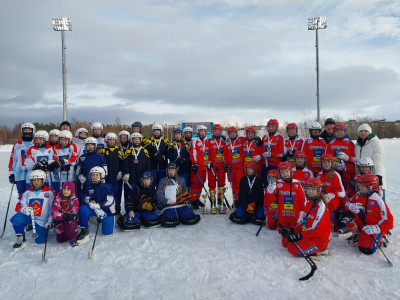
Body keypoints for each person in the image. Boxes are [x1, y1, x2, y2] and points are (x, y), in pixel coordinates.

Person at [343, 174, 393, 255]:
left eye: (364, 186)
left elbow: (389, 221)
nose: (360, 187)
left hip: (374, 226)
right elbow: (346, 206)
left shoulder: (377, 200)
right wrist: (350, 206)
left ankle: (382, 237)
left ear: (371, 187)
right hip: (364, 224)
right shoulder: (358, 195)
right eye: (360, 185)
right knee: (347, 216)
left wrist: (377, 228)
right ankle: (358, 234)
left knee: (366, 249)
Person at [281, 178, 331, 257]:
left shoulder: (321, 208)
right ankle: (303, 243)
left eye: (313, 189)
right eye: (308, 189)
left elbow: (317, 231)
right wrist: (292, 230)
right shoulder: (309, 203)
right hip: (308, 234)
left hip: (318, 240)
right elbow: (305, 222)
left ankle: (321, 250)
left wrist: (299, 236)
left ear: (318, 190)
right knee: (285, 241)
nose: (310, 192)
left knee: (292, 249)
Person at [10, 170, 55, 251]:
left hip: (41, 221)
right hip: (30, 217)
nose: (36, 182)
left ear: (43, 180)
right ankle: (21, 238)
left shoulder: (49, 193)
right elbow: (19, 206)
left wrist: (50, 220)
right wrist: (23, 209)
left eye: (38, 180)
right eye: (34, 180)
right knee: (16, 219)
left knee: (40, 241)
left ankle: (42, 230)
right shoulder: (27, 193)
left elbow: (53, 208)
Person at [76, 167, 116, 243]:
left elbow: (110, 200)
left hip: (106, 211)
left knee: (107, 233)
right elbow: (86, 198)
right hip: (94, 209)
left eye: (97, 175)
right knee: (83, 209)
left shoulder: (108, 186)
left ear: (101, 176)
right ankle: (84, 230)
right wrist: (91, 202)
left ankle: (107, 220)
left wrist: (99, 205)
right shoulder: (89, 187)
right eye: (92, 175)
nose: (94, 177)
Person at [274, 161, 306, 247]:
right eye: (282, 172)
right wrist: (271, 192)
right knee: (285, 243)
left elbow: (302, 199)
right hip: (283, 218)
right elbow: (274, 199)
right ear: (279, 173)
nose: (285, 174)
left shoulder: (296, 183)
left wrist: (301, 212)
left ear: (291, 172)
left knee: (293, 239)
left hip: (294, 217)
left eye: (287, 171)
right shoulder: (277, 183)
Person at [157, 163, 200, 227]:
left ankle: (181, 214)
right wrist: (167, 201)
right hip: (168, 205)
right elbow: (159, 194)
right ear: (167, 171)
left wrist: (185, 200)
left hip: (179, 204)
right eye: (170, 170)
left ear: (176, 171)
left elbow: (184, 192)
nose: (171, 172)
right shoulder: (163, 181)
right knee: (170, 217)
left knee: (188, 215)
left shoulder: (181, 180)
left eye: (173, 170)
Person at [355, 123, 386, 200]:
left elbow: (378, 161)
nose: (363, 133)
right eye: (361, 131)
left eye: (365, 131)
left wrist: (378, 176)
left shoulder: (375, 143)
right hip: (362, 175)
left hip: (373, 176)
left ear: (369, 132)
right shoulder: (358, 144)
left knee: (377, 200)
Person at [315, 153, 346, 231]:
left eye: (328, 162)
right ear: (321, 163)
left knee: (329, 205)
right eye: (324, 162)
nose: (326, 164)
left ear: (332, 163)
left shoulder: (335, 175)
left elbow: (343, 193)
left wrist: (333, 194)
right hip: (322, 197)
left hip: (335, 198)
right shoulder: (318, 175)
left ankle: (330, 225)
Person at [75, 137, 107, 204]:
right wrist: (80, 176)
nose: (90, 146)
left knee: (98, 197)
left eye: (92, 145)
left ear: (95, 146)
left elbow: (105, 170)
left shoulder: (100, 156)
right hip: (86, 182)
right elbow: (78, 171)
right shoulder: (82, 157)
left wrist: (102, 178)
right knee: (86, 198)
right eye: (88, 145)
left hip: (98, 182)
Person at [99, 133, 124, 215]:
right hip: (106, 176)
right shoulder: (103, 150)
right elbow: (100, 163)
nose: (112, 141)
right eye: (110, 139)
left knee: (117, 191)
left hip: (116, 176)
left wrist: (121, 171)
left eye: (113, 140)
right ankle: (107, 207)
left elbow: (122, 162)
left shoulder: (118, 150)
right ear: (107, 140)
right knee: (107, 192)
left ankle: (117, 206)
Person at [8, 122, 35, 197]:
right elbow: (13, 160)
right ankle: (22, 208)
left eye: (29, 130)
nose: (27, 131)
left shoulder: (36, 143)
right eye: (25, 130)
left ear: (33, 131)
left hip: (32, 174)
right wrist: (11, 173)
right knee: (21, 194)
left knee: (31, 194)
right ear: (22, 131)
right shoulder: (17, 144)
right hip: (19, 174)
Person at [326, 123, 356, 189]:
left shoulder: (350, 143)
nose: (339, 133)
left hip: (348, 173)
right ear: (334, 132)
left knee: (349, 191)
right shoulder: (330, 144)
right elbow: (326, 158)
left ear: (345, 132)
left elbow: (356, 159)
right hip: (334, 172)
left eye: (341, 131)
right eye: (337, 131)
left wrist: (348, 158)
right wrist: (333, 164)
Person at [122, 132, 151, 198]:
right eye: (134, 139)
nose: (136, 140)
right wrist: (126, 173)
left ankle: (139, 207)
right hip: (131, 177)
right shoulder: (128, 151)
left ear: (140, 140)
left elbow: (148, 163)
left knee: (141, 193)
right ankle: (129, 207)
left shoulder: (144, 150)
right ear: (132, 140)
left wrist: (148, 173)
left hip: (142, 176)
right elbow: (125, 163)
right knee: (130, 192)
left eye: (138, 139)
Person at [52, 181, 79, 247]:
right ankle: (64, 232)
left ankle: (72, 238)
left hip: (69, 218)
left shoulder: (74, 199)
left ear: (72, 191)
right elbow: (54, 211)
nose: (65, 191)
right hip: (60, 218)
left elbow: (75, 208)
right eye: (64, 189)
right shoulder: (58, 198)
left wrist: (70, 215)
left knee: (71, 223)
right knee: (61, 240)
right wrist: (62, 216)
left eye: (68, 190)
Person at [189, 125, 210, 209]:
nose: (202, 133)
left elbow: (208, 153)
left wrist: (209, 162)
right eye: (200, 131)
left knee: (202, 183)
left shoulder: (207, 141)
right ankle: (193, 200)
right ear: (197, 132)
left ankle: (197, 198)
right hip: (197, 166)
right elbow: (193, 153)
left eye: (204, 131)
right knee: (195, 184)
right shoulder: (194, 141)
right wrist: (194, 163)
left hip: (204, 166)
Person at [223, 126, 246, 201]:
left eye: (234, 132)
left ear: (236, 133)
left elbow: (250, 140)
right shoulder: (226, 143)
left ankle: (240, 199)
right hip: (231, 167)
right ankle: (235, 199)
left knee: (239, 184)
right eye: (230, 133)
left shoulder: (242, 139)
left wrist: (257, 139)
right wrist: (226, 164)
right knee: (233, 184)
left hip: (240, 167)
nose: (232, 134)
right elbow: (224, 155)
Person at [261, 119, 285, 187]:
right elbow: (262, 150)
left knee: (274, 184)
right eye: (269, 126)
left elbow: (282, 153)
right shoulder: (265, 137)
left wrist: (271, 154)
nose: (271, 128)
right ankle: (267, 197)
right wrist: (260, 156)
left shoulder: (280, 137)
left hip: (274, 164)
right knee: (266, 184)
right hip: (265, 164)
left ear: (276, 127)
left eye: (273, 126)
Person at [208, 124, 227, 206]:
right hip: (212, 165)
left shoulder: (224, 141)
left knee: (221, 182)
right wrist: (208, 162)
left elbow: (227, 153)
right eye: (215, 131)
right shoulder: (209, 141)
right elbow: (206, 152)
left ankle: (220, 198)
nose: (216, 132)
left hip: (221, 165)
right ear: (213, 131)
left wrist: (226, 163)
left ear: (220, 131)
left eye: (218, 130)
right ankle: (213, 199)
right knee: (212, 183)